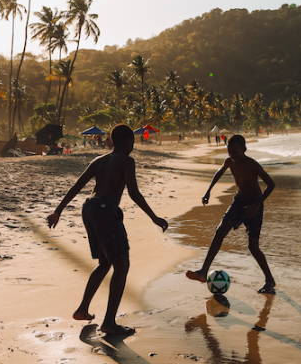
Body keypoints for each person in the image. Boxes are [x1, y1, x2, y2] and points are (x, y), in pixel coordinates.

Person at [47, 124, 168, 335]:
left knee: (105, 263)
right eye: (132, 143)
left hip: (89, 208)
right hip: (105, 210)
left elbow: (77, 186)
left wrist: (58, 211)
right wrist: (154, 217)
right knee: (121, 266)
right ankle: (109, 323)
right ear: (128, 142)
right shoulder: (127, 161)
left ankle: (83, 309)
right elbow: (133, 193)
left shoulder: (98, 161)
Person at [186, 134, 276, 294]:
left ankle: (270, 280)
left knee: (253, 246)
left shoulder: (252, 164)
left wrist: (257, 204)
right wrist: (208, 190)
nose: (232, 155)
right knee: (220, 231)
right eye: (229, 151)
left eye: (235, 151)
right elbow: (219, 173)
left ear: (244, 149)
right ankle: (203, 271)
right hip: (239, 200)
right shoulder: (229, 161)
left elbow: (271, 184)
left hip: (254, 203)